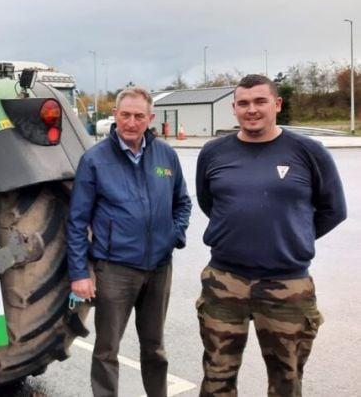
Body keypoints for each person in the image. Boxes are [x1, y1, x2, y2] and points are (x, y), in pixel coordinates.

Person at [195, 74, 347, 396]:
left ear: (276, 104)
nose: (252, 109)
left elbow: (334, 210)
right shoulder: (213, 153)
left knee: (286, 379)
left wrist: (292, 238)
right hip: (224, 281)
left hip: (287, 286)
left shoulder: (309, 152)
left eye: (260, 101)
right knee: (217, 377)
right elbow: (211, 204)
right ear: (234, 108)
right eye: (244, 103)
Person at [66, 86, 191, 397]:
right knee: (107, 350)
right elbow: (77, 221)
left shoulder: (166, 156)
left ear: (150, 118)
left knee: (155, 348)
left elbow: (183, 203)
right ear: (115, 116)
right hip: (115, 269)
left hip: (159, 269)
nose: (131, 122)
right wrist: (79, 273)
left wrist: (172, 237)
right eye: (125, 115)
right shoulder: (95, 160)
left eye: (138, 116)